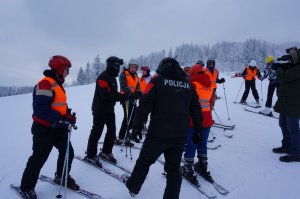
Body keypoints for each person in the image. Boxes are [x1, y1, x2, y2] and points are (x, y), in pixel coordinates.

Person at [125, 57, 203, 199]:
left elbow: (144, 105)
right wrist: (198, 130)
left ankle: (133, 188)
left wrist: (136, 126)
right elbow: (196, 110)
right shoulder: (189, 86)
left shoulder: (157, 81)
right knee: (174, 170)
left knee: (144, 162)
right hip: (179, 136)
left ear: (162, 67)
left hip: (157, 134)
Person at [19, 55, 79, 199]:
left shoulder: (57, 85)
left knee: (68, 153)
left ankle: (61, 176)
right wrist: (63, 117)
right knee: (38, 158)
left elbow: (56, 106)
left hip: (59, 128)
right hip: (44, 129)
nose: (68, 73)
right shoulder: (46, 83)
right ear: (59, 68)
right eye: (66, 69)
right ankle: (26, 187)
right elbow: (41, 110)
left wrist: (67, 116)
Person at [85, 56, 128, 165]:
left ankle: (106, 152)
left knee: (112, 131)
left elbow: (113, 95)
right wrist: (123, 96)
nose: (119, 69)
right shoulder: (103, 77)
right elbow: (106, 95)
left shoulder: (112, 77)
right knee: (97, 131)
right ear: (112, 66)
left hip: (109, 109)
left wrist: (126, 95)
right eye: (117, 66)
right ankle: (90, 155)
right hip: (99, 109)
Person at [181, 63, 214, 182]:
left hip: (193, 120)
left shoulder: (192, 85)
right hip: (207, 119)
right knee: (202, 143)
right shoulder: (209, 85)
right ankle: (202, 164)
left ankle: (188, 168)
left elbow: (185, 103)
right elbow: (210, 103)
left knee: (191, 144)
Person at [273, 47, 300, 162]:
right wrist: (281, 66)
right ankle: (287, 146)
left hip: (294, 102)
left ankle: (296, 153)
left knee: (293, 128)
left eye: (292, 57)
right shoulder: (293, 66)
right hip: (286, 100)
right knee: (283, 124)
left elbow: (285, 77)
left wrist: (279, 68)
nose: (290, 60)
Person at [115, 62, 142, 146]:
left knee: (132, 118)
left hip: (133, 100)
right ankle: (122, 136)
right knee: (127, 118)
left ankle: (125, 135)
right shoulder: (124, 74)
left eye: (135, 67)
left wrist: (138, 93)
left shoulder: (136, 76)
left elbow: (138, 86)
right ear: (129, 67)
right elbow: (123, 86)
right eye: (132, 67)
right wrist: (130, 94)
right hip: (126, 98)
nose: (133, 68)